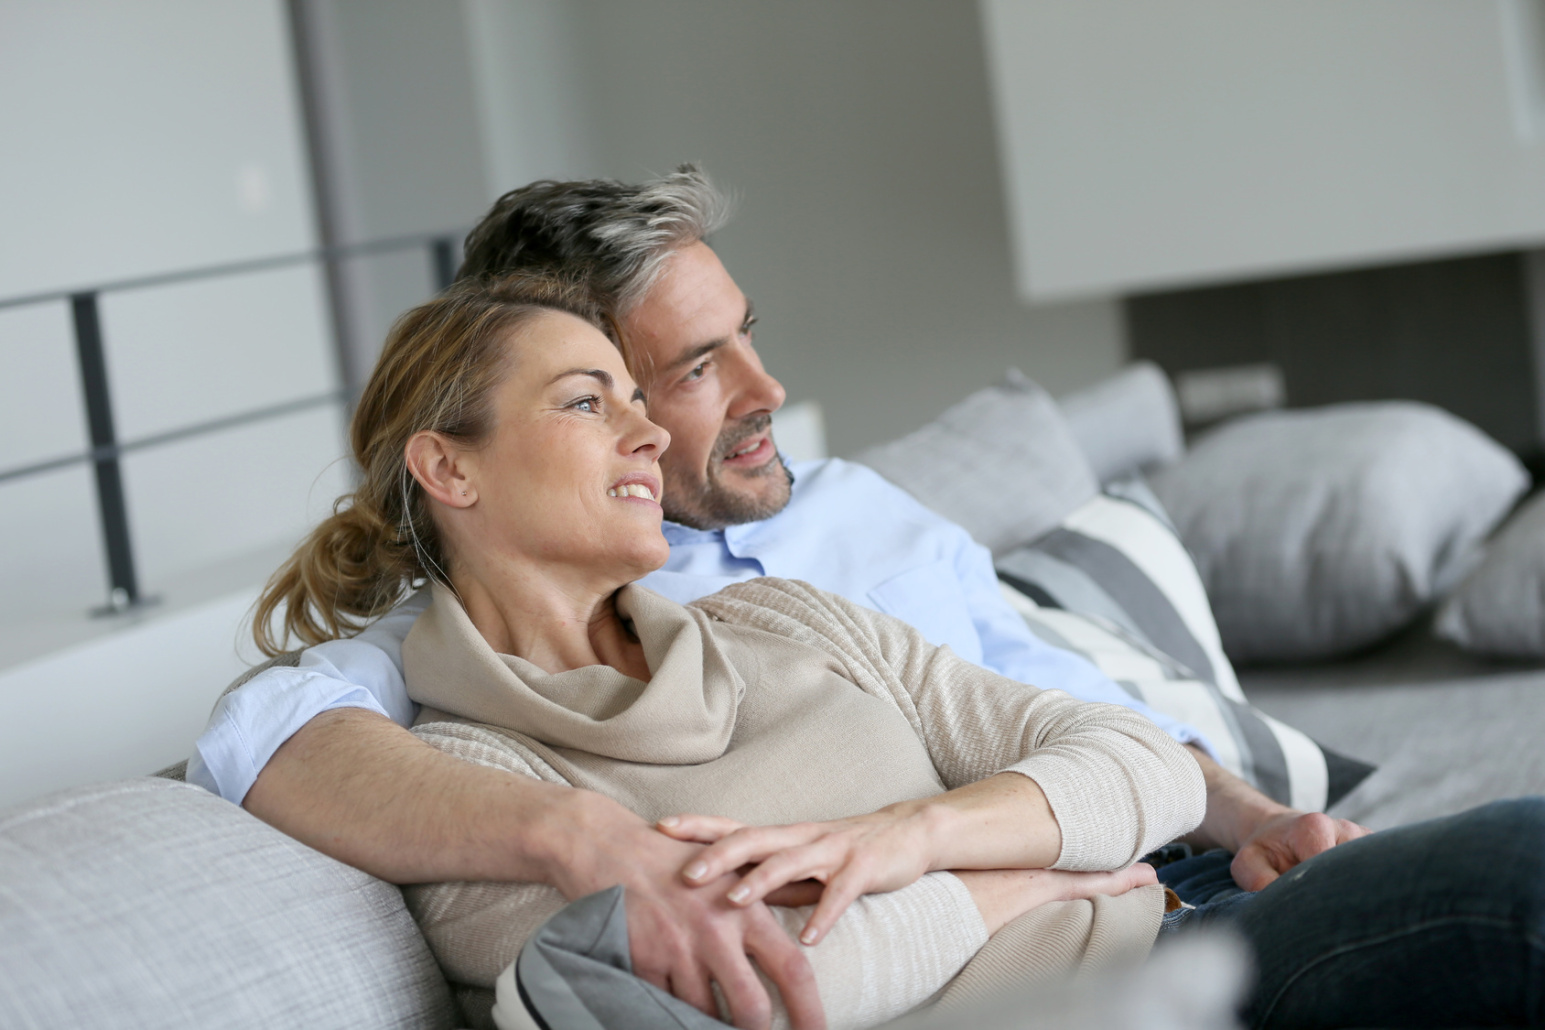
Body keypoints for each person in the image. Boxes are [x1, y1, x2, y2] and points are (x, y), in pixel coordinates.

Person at [190, 168, 1545, 1028]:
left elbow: (1120, 746)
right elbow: (265, 731)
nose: (755, 395)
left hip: (1171, 857)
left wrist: (939, 837)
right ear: (454, 465)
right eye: (656, 380)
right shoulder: (453, 737)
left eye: (744, 341)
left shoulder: (809, 575)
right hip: (1099, 929)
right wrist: (589, 841)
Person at [258, 271, 1204, 1028]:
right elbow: (729, 1000)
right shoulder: (472, 790)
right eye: (588, 405)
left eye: (638, 398)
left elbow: (1151, 765)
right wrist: (1017, 882)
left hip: (1184, 940)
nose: (650, 433)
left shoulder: (785, 617)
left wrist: (905, 837)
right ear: (448, 468)